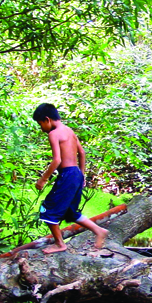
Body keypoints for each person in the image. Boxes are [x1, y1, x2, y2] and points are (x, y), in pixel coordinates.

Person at [33, 103, 108, 254]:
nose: (41, 128)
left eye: (40, 124)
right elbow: (82, 152)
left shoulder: (53, 134)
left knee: (48, 210)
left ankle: (60, 244)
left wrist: (43, 179)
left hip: (67, 175)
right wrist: (82, 174)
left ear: (47, 119)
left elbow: (57, 160)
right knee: (70, 212)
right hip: (76, 174)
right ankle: (99, 230)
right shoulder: (69, 131)